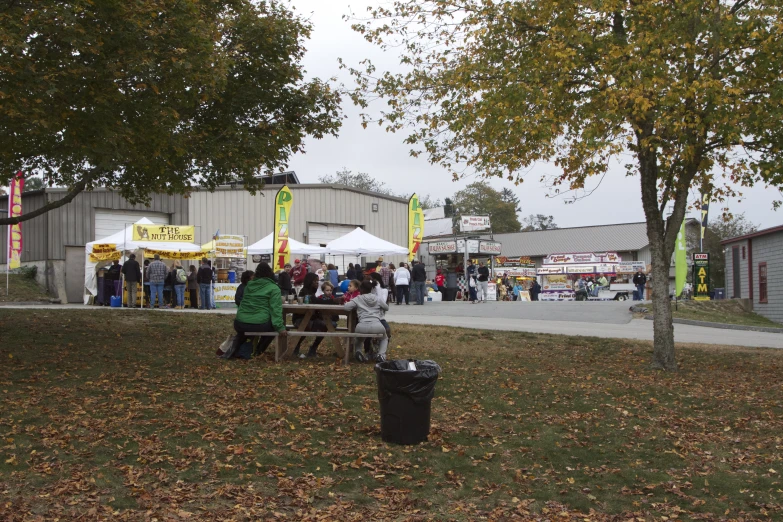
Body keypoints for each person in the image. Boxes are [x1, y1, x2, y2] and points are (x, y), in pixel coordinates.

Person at [223, 262, 286, 359]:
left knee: (249, 327)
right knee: (273, 327)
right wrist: (280, 327)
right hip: (259, 324)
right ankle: (258, 351)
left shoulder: (249, 285)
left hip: (240, 322)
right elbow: (275, 310)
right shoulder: (274, 288)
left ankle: (243, 350)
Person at [344, 280, 389, 363]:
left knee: (359, 339)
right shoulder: (377, 298)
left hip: (361, 325)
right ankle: (381, 354)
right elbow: (386, 307)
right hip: (377, 325)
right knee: (384, 338)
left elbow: (346, 307)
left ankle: (358, 351)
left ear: (360, 289)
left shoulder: (358, 298)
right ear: (371, 289)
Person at [292, 273, 327, 358]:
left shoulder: (312, 292)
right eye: (315, 281)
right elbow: (315, 302)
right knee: (306, 326)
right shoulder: (305, 292)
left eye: (317, 281)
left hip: (311, 319)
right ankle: (295, 348)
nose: (317, 283)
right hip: (300, 319)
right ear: (309, 281)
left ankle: (313, 348)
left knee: (326, 326)